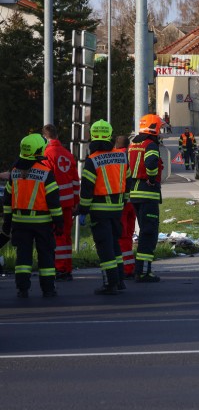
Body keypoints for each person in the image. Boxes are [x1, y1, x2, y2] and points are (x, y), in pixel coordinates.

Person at [3, 134, 63, 298]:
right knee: (46, 256)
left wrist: (6, 225)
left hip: (19, 222)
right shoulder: (45, 172)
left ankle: (22, 289)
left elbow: (7, 201)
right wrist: (59, 223)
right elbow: (54, 202)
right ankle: (48, 289)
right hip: (42, 222)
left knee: (23, 257)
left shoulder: (14, 172)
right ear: (38, 150)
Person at [78, 120, 129, 295]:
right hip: (117, 209)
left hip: (99, 210)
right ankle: (120, 280)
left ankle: (110, 284)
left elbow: (86, 190)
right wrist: (124, 201)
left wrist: (83, 211)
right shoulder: (122, 156)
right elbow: (127, 182)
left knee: (104, 248)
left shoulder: (92, 160)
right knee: (115, 245)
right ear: (110, 135)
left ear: (92, 136)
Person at [128, 114, 165, 282]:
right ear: (154, 128)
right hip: (147, 193)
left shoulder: (133, 144)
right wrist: (151, 179)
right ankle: (143, 272)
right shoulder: (150, 145)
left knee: (144, 231)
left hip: (135, 193)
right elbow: (151, 164)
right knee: (148, 234)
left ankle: (141, 270)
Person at [42, 124, 80, 281]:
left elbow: (44, 180)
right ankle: (66, 268)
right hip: (68, 202)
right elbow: (75, 181)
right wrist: (76, 200)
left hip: (53, 203)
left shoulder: (46, 154)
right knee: (66, 237)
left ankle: (59, 268)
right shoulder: (67, 154)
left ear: (45, 137)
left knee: (55, 236)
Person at [115, 135, 136, 279]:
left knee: (121, 237)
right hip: (132, 203)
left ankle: (126, 268)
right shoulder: (132, 156)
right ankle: (130, 266)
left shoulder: (116, 158)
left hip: (121, 203)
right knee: (128, 236)